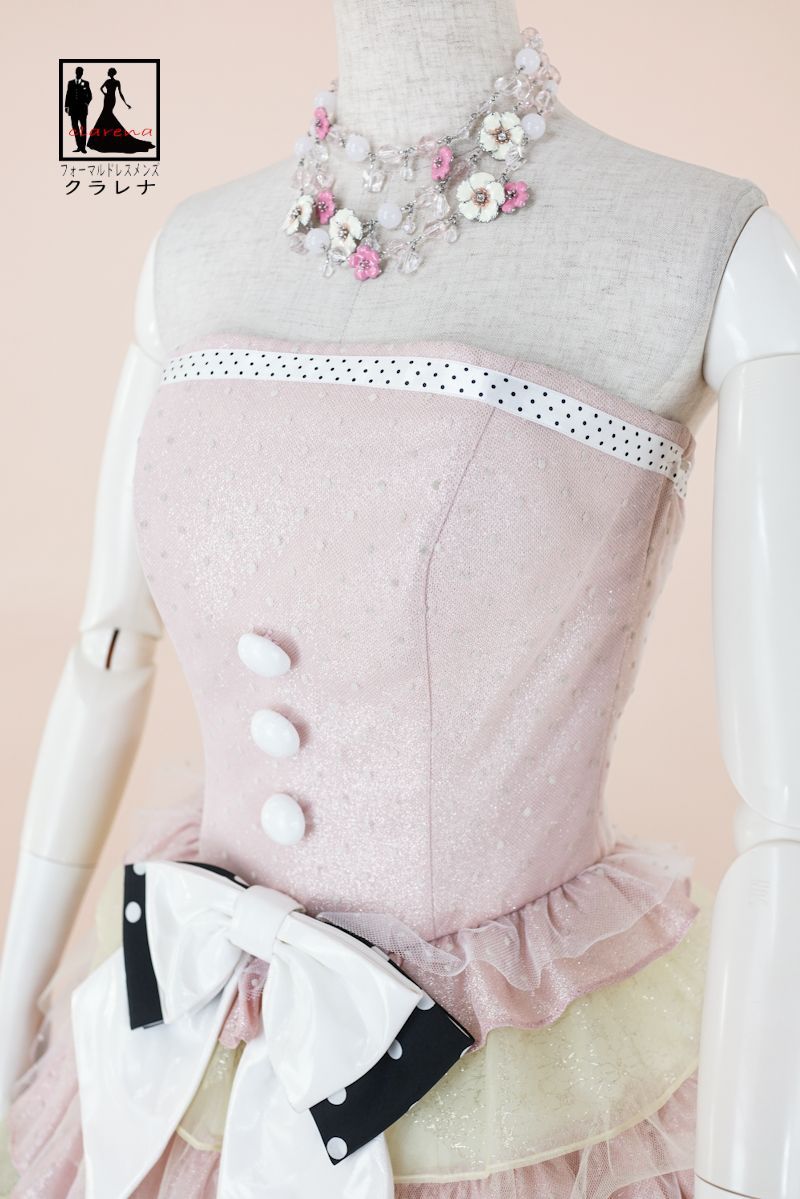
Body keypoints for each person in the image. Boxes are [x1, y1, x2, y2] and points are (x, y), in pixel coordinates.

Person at [87, 67, 155, 155]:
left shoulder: (116, 82)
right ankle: (106, 137)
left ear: (111, 73)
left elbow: (119, 93)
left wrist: (126, 103)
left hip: (111, 99)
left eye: (108, 72)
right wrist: (105, 94)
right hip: (108, 99)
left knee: (106, 115)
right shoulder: (111, 81)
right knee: (106, 115)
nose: (107, 72)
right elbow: (101, 88)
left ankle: (103, 139)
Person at [63, 66, 91, 154]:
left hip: (82, 109)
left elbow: (90, 95)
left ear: (82, 73)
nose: (80, 74)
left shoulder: (86, 83)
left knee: (83, 128)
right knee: (75, 128)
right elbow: (68, 95)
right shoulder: (70, 83)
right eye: (78, 72)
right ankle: (79, 146)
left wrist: (86, 103)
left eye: (81, 72)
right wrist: (66, 106)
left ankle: (83, 147)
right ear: (76, 72)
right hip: (73, 109)